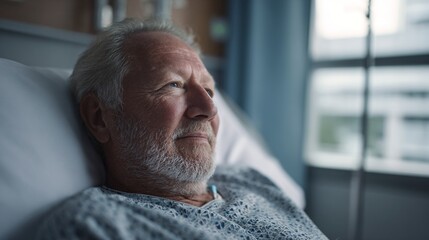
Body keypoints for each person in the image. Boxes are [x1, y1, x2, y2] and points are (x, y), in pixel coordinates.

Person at [37, 18, 327, 239]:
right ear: (100, 117)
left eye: (210, 91)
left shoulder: (253, 180)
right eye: (174, 85)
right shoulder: (97, 224)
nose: (209, 109)